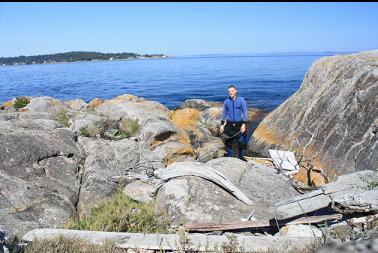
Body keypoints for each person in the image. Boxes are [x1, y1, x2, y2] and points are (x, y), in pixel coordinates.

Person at [220, 85, 249, 161]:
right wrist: (222, 125)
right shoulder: (226, 101)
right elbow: (224, 114)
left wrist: (243, 124)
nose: (231, 93)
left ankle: (241, 156)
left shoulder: (241, 100)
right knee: (228, 142)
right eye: (229, 92)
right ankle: (230, 157)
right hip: (229, 124)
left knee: (240, 141)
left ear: (236, 91)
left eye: (232, 91)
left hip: (239, 123)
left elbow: (245, 112)